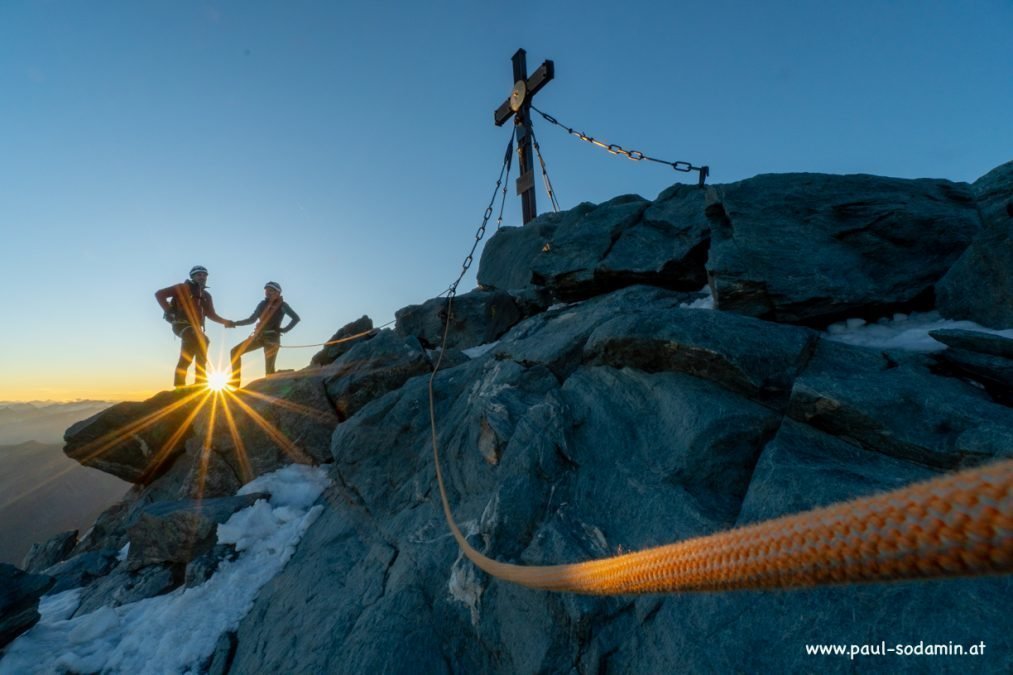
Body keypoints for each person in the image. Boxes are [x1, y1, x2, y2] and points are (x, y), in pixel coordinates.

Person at [155, 265, 233, 387]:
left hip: (195, 329)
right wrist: (169, 311)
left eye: (204, 275)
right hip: (181, 325)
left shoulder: (206, 296)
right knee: (201, 340)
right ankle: (191, 384)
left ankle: (190, 384)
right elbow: (159, 294)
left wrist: (226, 322)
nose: (202, 277)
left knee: (191, 353)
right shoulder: (182, 287)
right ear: (192, 276)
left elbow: (211, 314)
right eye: (199, 275)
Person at [228, 281, 300, 387]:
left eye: (271, 290)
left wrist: (284, 330)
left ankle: (280, 380)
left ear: (278, 293)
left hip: (272, 340)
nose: (268, 292)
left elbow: (296, 318)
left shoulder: (283, 305)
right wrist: (235, 323)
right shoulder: (262, 304)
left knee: (269, 373)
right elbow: (251, 320)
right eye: (266, 290)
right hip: (259, 337)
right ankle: (235, 384)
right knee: (235, 351)